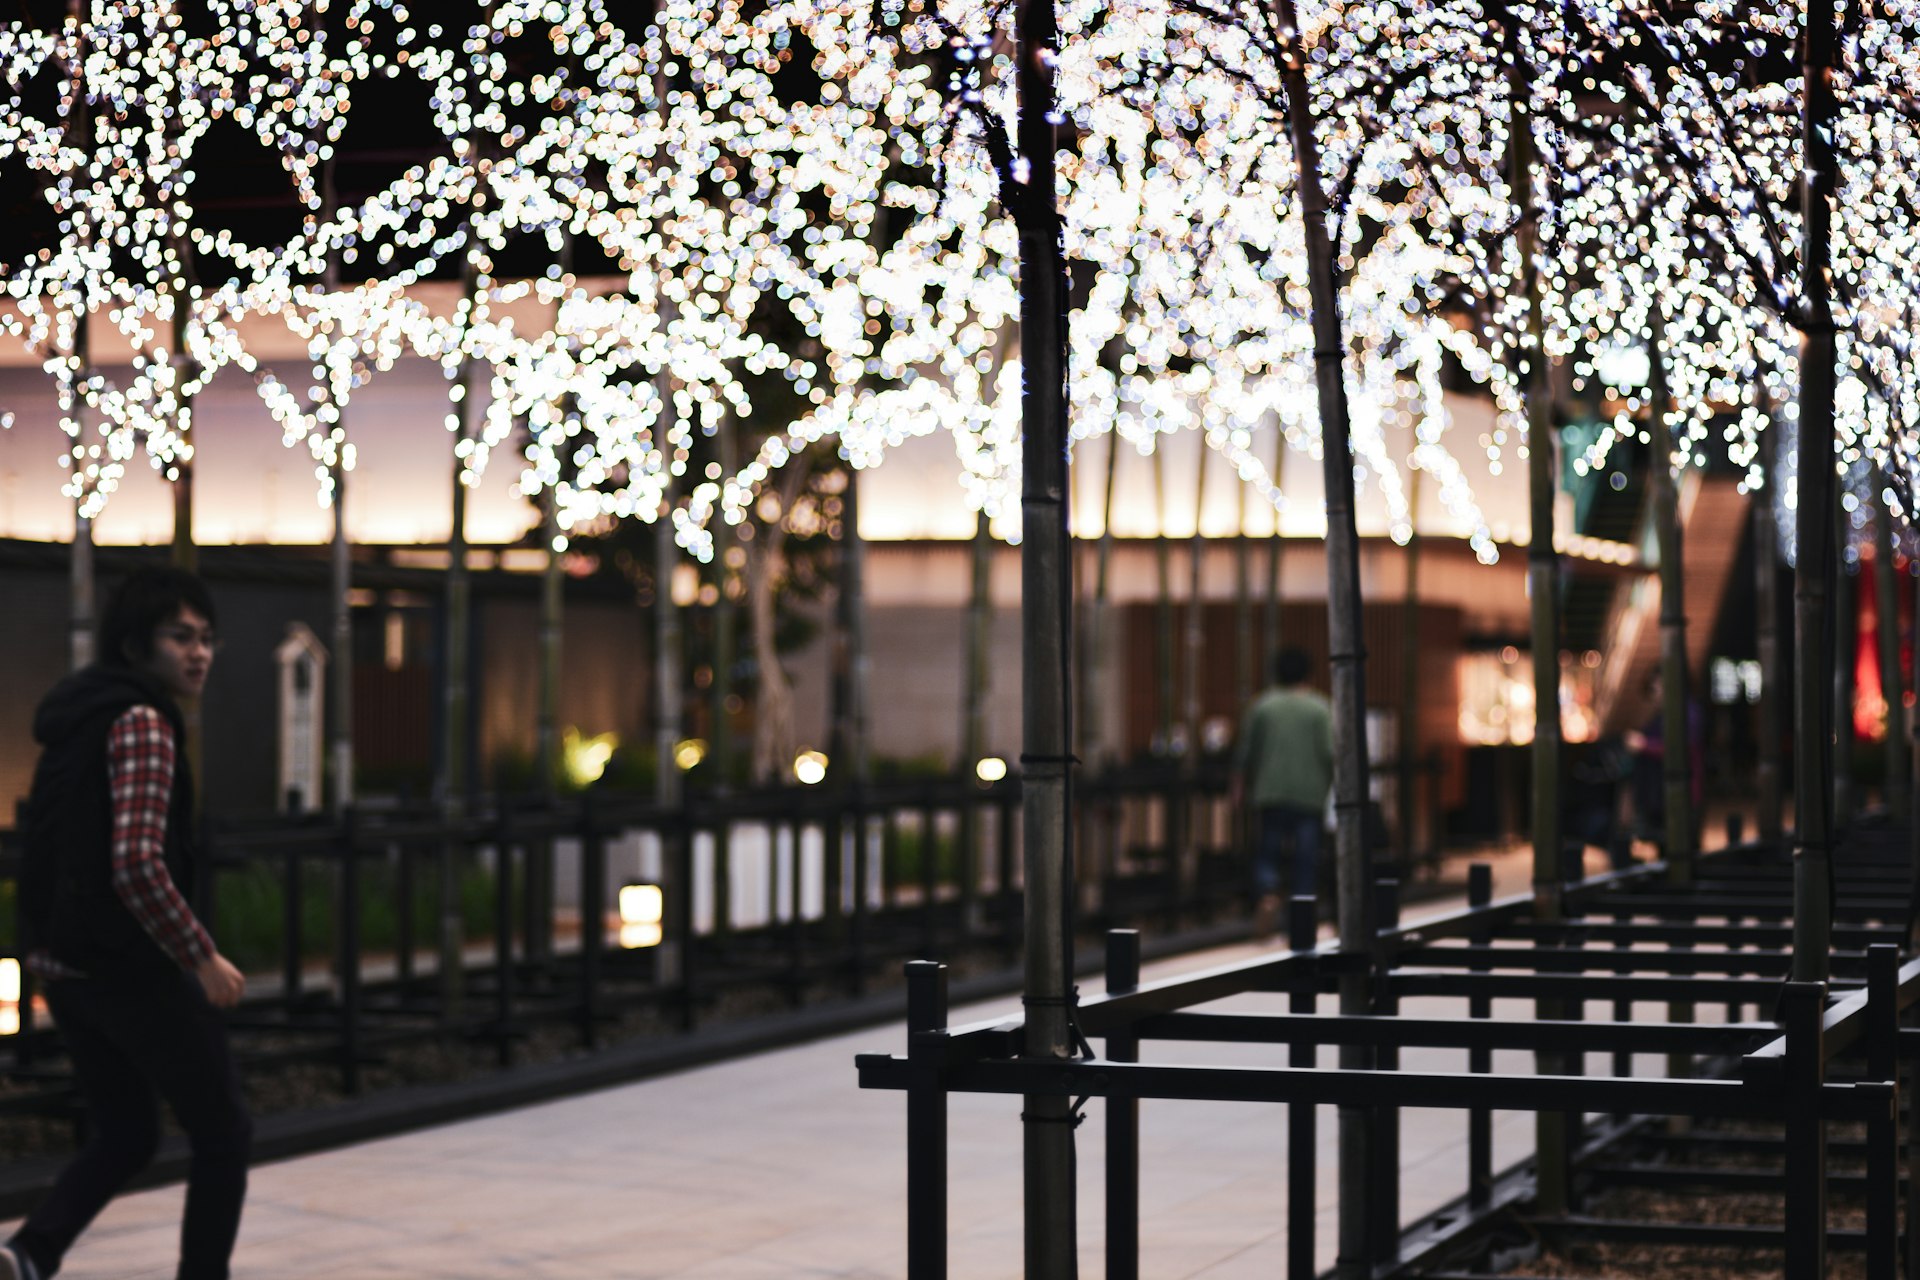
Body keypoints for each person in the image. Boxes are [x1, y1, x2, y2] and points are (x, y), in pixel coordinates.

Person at [4, 568, 250, 1280]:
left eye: (207, 639)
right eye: (180, 637)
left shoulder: (81, 713)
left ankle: (29, 1253)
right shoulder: (142, 721)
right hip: (128, 968)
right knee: (223, 1131)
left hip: (66, 962)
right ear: (138, 645)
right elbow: (137, 863)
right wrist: (200, 954)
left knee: (128, 1131)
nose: (198, 653)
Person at [1231, 646, 1335, 940]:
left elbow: (1246, 752)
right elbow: (1330, 752)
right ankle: (1300, 917)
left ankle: (1267, 893)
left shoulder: (1263, 706)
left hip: (1270, 791)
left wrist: (1239, 785)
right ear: (1309, 673)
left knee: (1268, 851)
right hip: (1309, 793)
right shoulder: (1319, 707)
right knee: (1305, 858)